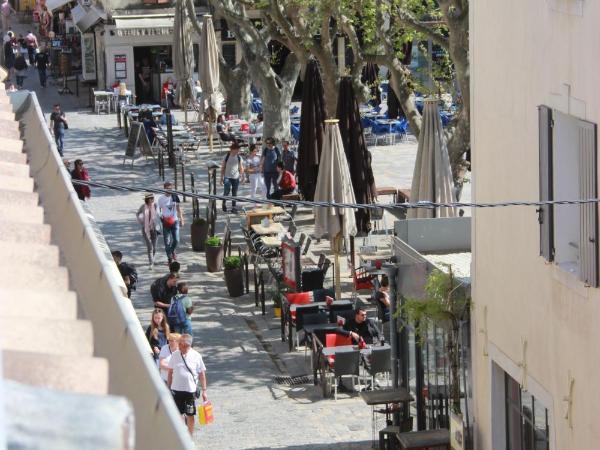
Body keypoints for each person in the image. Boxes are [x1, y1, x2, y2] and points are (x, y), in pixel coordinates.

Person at [168, 334, 208, 435]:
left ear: (188, 345)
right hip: (176, 390)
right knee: (178, 414)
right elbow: (170, 372)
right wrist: (168, 388)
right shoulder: (175, 355)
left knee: (190, 414)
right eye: (179, 344)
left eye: (181, 345)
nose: (179, 346)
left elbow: (202, 374)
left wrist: (204, 391)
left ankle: (190, 437)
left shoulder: (196, 356)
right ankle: (182, 436)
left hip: (190, 391)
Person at [157, 181, 184, 264]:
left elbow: (179, 208)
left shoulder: (175, 196)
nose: (169, 190)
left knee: (176, 240)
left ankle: (171, 251)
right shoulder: (161, 198)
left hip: (175, 220)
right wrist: (161, 216)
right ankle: (169, 258)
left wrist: (181, 219)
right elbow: (158, 209)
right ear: (164, 189)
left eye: (171, 188)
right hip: (166, 221)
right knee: (167, 241)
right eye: (167, 188)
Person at [137, 193, 161, 268]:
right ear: (147, 199)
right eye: (150, 198)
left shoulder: (156, 205)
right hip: (146, 229)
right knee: (150, 247)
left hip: (155, 228)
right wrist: (141, 220)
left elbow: (160, 214)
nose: (151, 200)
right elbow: (137, 214)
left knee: (154, 247)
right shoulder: (143, 207)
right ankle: (151, 263)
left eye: (152, 198)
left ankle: (153, 260)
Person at [220, 142, 244, 213]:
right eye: (237, 150)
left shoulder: (239, 157)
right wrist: (221, 178)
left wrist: (243, 176)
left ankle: (234, 207)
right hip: (227, 177)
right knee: (226, 191)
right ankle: (224, 203)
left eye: (238, 150)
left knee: (234, 192)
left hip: (235, 177)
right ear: (232, 149)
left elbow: (241, 168)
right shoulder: (226, 156)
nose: (238, 151)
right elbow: (223, 167)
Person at [374, 276, 391, 342]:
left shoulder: (379, 290)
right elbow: (389, 305)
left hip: (382, 314)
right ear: (388, 284)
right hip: (387, 315)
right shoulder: (382, 294)